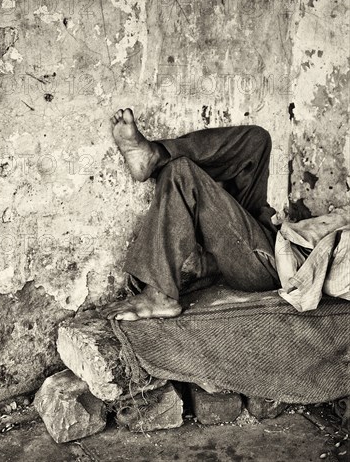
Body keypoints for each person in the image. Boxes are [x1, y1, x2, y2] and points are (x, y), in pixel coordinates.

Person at [102, 108, 280, 321]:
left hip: (275, 261)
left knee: (180, 173)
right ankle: (157, 154)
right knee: (257, 140)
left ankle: (160, 294)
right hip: (267, 230)